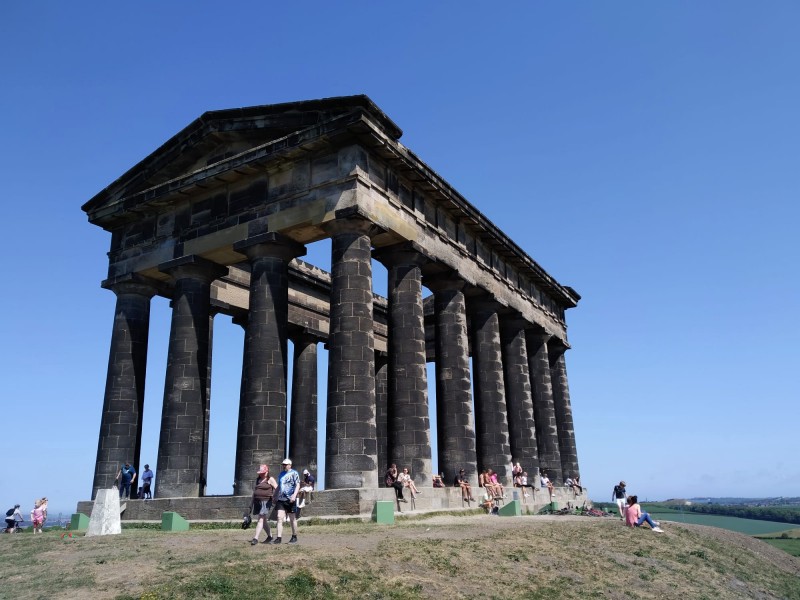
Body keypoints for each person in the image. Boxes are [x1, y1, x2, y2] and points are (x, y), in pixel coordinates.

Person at [273, 458, 299, 544]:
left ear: (290, 465)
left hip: (290, 499)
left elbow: (298, 485)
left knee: (292, 518)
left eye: (285, 464)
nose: (284, 466)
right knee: (279, 517)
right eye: (283, 464)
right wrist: (275, 495)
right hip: (281, 499)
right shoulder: (281, 474)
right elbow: (279, 486)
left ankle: (294, 536)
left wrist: (294, 496)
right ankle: (279, 538)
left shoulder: (294, 473)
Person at [250, 464, 277, 545]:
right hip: (258, 502)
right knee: (264, 520)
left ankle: (256, 538)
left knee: (261, 519)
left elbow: (277, 488)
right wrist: (251, 504)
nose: (261, 474)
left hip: (266, 502)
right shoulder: (258, 480)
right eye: (260, 472)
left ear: (267, 472)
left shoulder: (270, 479)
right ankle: (270, 536)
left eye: (262, 472)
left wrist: (275, 497)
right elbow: (254, 492)